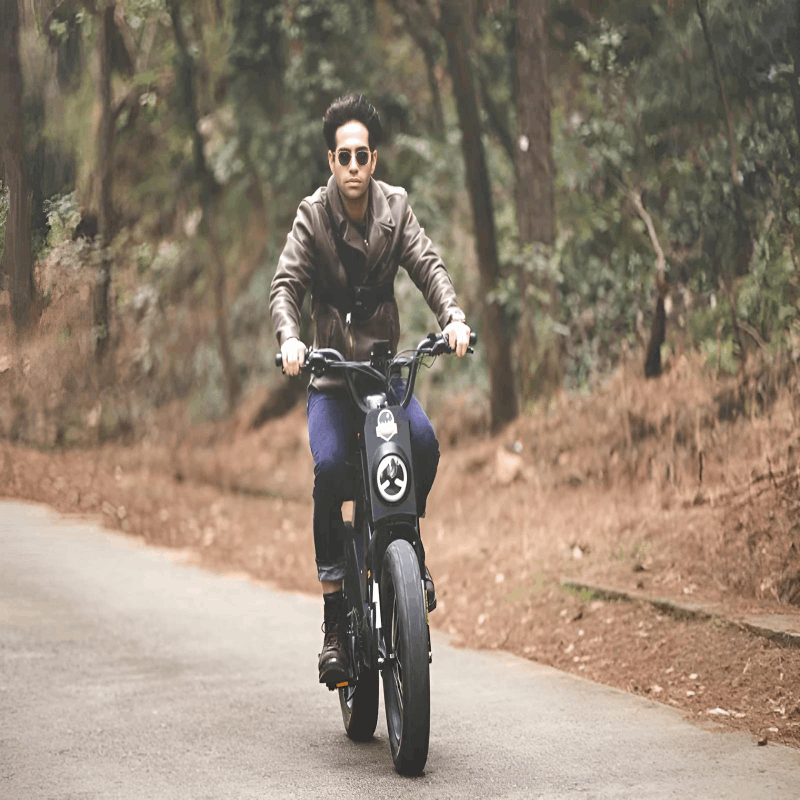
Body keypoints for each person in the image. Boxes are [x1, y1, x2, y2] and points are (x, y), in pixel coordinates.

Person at [270, 94, 471, 687]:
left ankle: (406, 547)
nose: (353, 165)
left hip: (385, 377)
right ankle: (336, 614)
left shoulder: (397, 210)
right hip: (333, 378)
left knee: (426, 445)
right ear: (331, 161)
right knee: (331, 467)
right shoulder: (312, 217)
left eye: (362, 154)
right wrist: (289, 339)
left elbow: (429, 266)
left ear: (374, 159)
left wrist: (453, 316)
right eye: (343, 156)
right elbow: (286, 285)